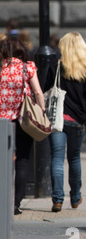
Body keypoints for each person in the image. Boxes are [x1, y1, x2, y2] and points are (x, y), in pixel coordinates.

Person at [44, 32, 86, 212]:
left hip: (58, 119)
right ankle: (75, 197)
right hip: (77, 120)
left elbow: (48, 88)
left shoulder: (57, 66)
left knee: (56, 158)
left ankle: (57, 200)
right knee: (74, 158)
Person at [0, 36, 46, 215]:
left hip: (2, 121)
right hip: (23, 120)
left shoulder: (1, 68)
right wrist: (42, 113)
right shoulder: (28, 68)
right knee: (23, 160)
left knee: (3, 161)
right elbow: (38, 92)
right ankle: (16, 203)